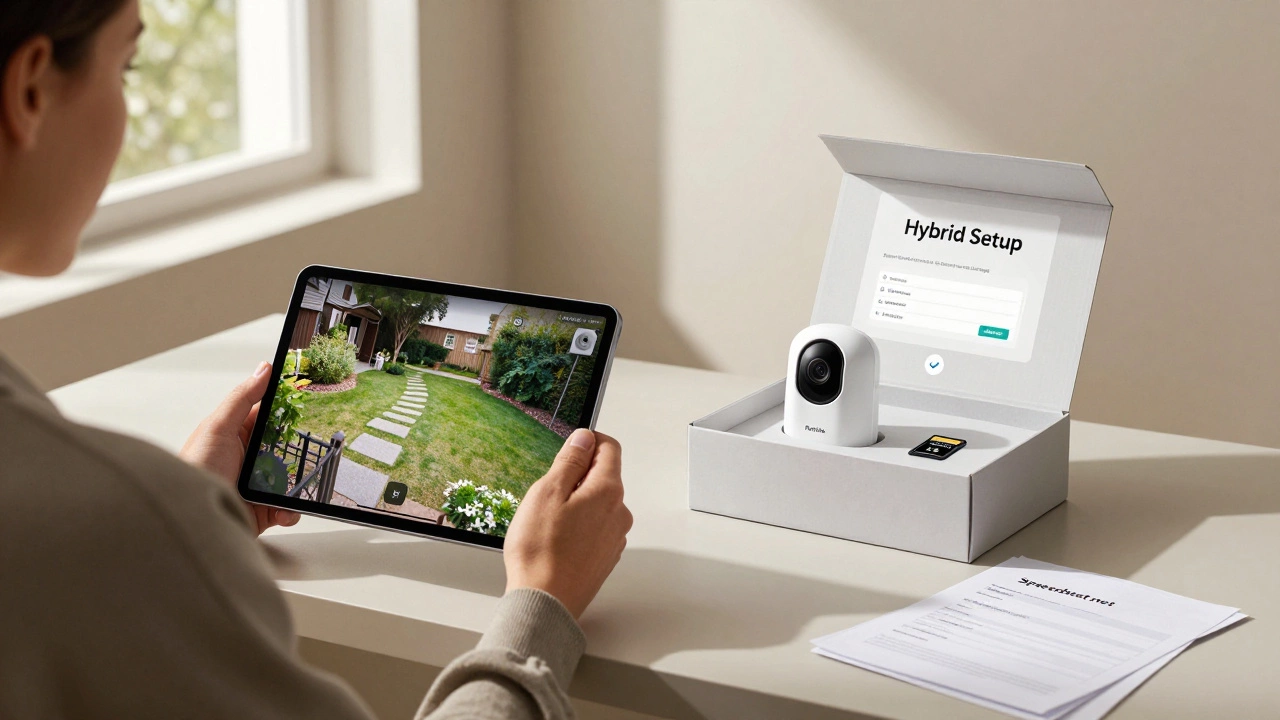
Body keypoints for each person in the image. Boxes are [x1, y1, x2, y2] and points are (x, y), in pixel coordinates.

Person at [0, 2, 633, 718]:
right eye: (127, 64)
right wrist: (542, 607)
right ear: (29, 90)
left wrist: (192, 528)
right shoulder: (95, 516)